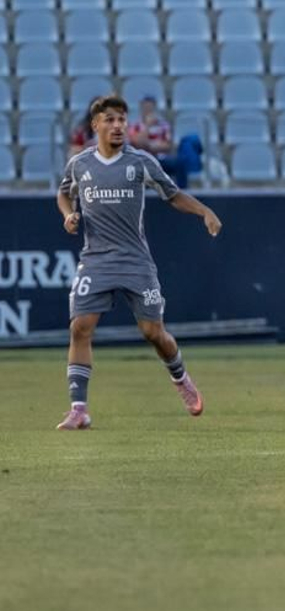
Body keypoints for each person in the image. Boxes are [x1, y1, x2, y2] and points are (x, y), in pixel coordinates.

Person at [54, 95, 221, 430]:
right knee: (80, 327)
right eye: (111, 120)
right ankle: (79, 408)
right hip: (96, 260)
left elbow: (172, 195)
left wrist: (204, 210)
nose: (118, 127)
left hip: (136, 262)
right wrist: (69, 214)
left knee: (153, 332)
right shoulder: (80, 164)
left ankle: (181, 379)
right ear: (96, 125)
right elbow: (63, 192)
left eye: (122, 120)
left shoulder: (141, 162)